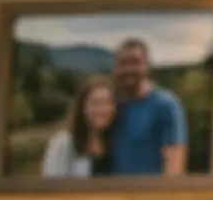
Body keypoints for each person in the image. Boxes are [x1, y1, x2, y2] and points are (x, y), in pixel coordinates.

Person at [108, 38, 186, 176]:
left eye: (135, 63)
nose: (128, 70)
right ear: (115, 68)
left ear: (147, 66)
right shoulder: (111, 104)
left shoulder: (166, 104)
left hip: (149, 195)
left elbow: (174, 165)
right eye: (122, 64)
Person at [40, 75, 117, 178]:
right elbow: (51, 186)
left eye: (107, 103)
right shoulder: (62, 143)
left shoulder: (113, 141)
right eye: (95, 103)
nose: (102, 109)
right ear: (83, 107)